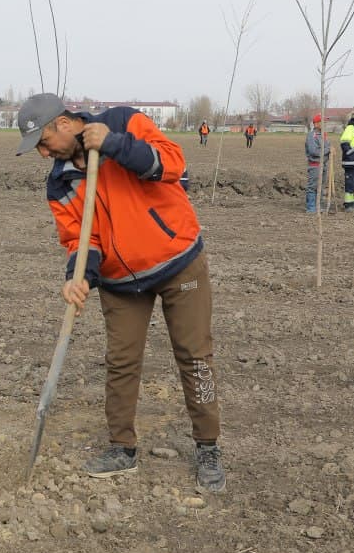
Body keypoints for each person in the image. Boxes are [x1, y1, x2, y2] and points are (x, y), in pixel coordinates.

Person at [15, 93, 225, 493]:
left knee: (195, 355)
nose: (44, 155)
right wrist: (79, 278)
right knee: (121, 361)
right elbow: (80, 238)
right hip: (120, 282)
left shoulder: (123, 122)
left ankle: (208, 447)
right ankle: (122, 448)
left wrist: (112, 144)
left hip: (178, 260)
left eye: (43, 143)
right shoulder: (59, 183)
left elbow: (172, 163)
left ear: (63, 124)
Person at [304, 114, 330, 213]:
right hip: (315, 165)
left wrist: (330, 150)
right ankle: (311, 208)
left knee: (321, 186)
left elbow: (327, 147)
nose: (325, 124)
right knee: (313, 186)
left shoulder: (323, 135)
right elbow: (313, 151)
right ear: (316, 123)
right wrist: (328, 150)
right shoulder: (312, 135)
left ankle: (318, 206)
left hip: (324, 164)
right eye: (323, 122)